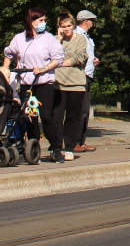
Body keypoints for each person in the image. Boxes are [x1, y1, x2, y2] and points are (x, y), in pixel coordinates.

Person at [3, 8, 65, 164]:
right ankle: (33, 147)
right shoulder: (19, 39)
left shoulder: (49, 39)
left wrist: (44, 68)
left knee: (46, 115)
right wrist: (5, 69)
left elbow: (58, 59)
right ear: (31, 22)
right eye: (40, 20)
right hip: (26, 81)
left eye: (44, 20)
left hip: (44, 82)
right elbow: (9, 54)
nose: (43, 23)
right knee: (30, 116)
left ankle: (55, 148)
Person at [55, 12, 88, 162]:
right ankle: (55, 147)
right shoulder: (56, 41)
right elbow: (49, 55)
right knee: (56, 117)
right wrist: (58, 39)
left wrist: (58, 63)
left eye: (69, 26)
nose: (67, 29)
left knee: (73, 117)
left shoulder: (80, 39)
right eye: (63, 27)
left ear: (73, 26)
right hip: (58, 83)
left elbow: (77, 58)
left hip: (76, 84)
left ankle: (69, 147)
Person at [73, 10, 98, 153]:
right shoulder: (77, 35)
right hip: (79, 76)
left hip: (87, 75)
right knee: (80, 110)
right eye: (91, 21)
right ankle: (75, 141)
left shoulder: (87, 37)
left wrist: (93, 61)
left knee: (85, 111)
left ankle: (81, 141)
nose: (92, 24)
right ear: (86, 21)